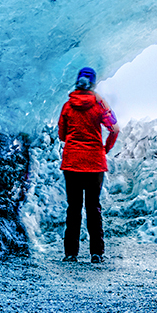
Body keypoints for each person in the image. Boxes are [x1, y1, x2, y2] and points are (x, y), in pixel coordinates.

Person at [57, 66, 119, 262]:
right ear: (93, 84)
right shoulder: (99, 105)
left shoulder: (68, 106)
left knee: (73, 208)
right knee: (93, 208)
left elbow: (61, 135)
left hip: (72, 162)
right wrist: (104, 149)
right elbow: (114, 128)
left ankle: (70, 253)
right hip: (94, 163)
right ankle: (97, 253)